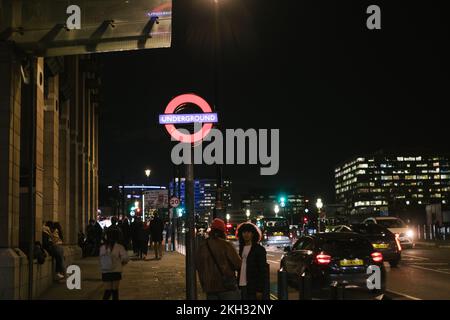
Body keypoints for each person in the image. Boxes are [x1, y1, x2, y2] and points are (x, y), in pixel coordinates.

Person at [196, 218, 242, 300]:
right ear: (222, 231)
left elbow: (198, 266)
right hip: (226, 286)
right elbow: (238, 264)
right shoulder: (226, 245)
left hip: (209, 287)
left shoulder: (202, 247)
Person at [236, 222, 269, 300]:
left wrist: (259, 289)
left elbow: (262, 271)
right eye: (244, 232)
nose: (246, 234)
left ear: (253, 234)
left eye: (249, 232)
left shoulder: (259, 249)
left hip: (253, 287)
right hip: (241, 285)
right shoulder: (241, 248)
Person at [99, 227, 129, 300]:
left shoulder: (103, 247)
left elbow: (101, 258)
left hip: (105, 271)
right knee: (115, 291)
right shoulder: (119, 247)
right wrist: (121, 263)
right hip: (116, 271)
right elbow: (125, 258)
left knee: (107, 291)